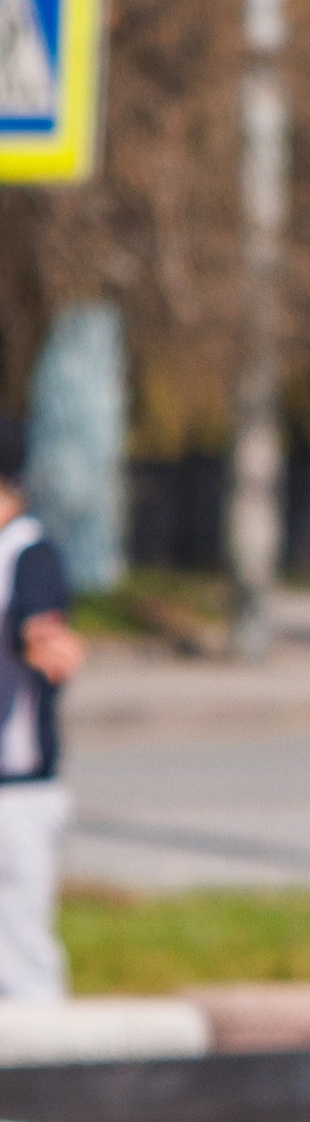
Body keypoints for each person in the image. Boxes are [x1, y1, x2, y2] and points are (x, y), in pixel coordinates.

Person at [0, 423, 82, 1002]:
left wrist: (46, 643)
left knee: (20, 957)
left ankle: (47, 1086)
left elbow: (45, 629)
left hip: (17, 794)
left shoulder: (28, 554)